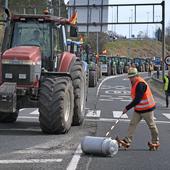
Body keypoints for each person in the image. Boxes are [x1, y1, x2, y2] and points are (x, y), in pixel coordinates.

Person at [117, 67, 160, 150]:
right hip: (138, 110)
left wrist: (127, 108)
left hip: (147, 109)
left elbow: (137, 99)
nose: (130, 79)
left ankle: (155, 142)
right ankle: (127, 141)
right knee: (132, 124)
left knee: (151, 126)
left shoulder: (140, 84)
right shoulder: (134, 83)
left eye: (132, 77)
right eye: (129, 77)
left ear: (136, 75)